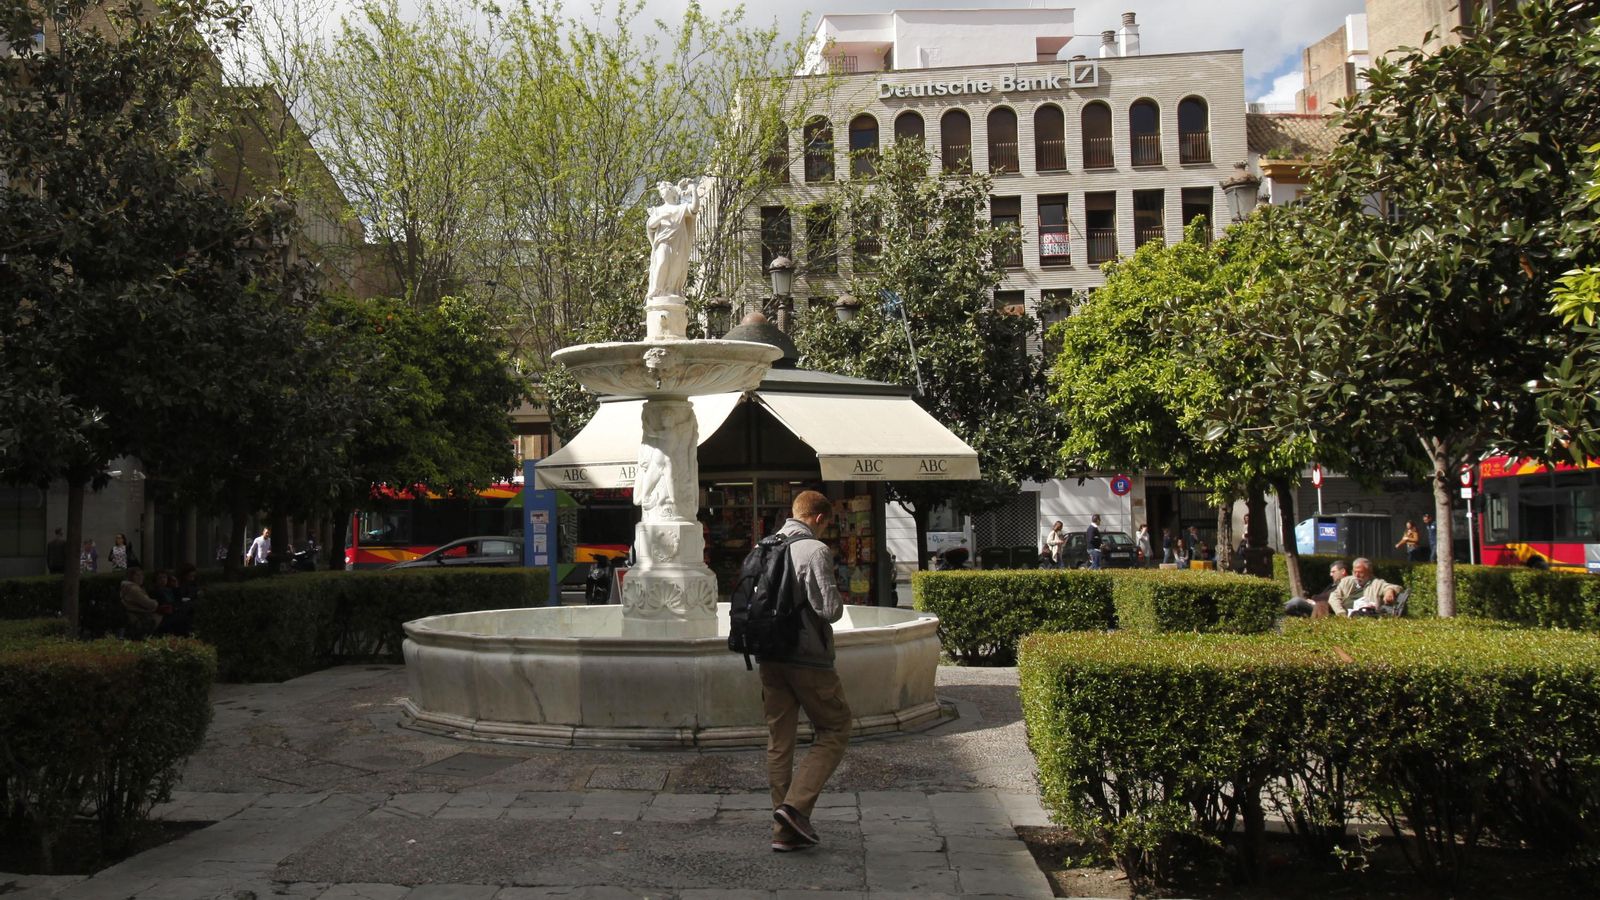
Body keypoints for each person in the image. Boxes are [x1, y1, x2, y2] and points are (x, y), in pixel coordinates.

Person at [760, 490, 851, 853]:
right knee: (835, 727)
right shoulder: (815, 550)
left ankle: (784, 832)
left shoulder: (764, 546)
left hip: (768, 657)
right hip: (808, 659)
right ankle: (795, 809)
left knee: (779, 741)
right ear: (817, 518)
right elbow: (829, 610)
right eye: (825, 524)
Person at [1328, 557, 1401, 617]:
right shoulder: (1347, 581)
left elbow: (1395, 587)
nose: (1356, 575)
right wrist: (1341, 614)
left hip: (1363, 616)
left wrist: (1389, 591)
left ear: (1369, 572)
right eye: (1354, 572)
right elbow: (1334, 596)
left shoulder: (1376, 583)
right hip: (1344, 616)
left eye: (1360, 572)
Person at [1284, 560, 1349, 618]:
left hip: (1324, 609)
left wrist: (1314, 602)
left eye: (1333, 572)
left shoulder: (1347, 585)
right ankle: (1279, 611)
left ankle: (1278, 611)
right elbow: (1322, 595)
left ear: (1343, 571)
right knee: (1295, 603)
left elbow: (1332, 599)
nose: (1330, 574)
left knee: (1296, 601)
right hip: (1317, 606)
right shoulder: (1332, 585)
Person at [119, 567, 162, 636]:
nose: (141, 577)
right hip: (141, 618)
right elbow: (150, 604)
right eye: (137, 575)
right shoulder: (134, 589)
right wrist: (155, 602)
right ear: (131, 577)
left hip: (139, 615)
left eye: (142, 575)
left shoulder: (129, 587)